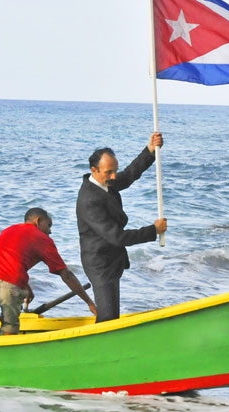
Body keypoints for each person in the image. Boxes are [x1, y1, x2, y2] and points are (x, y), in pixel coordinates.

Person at [76, 132, 168, 323]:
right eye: (109, 172)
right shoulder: (89, 199)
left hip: (111, 258)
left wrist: (150, 150)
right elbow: (117, 237)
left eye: (114, 170)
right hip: (99, 262)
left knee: (111, 314)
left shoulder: (105, 182)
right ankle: (100, 349)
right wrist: (153, 230)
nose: (114, 175)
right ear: (94, 170)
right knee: (108, 317)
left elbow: (128, 176)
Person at [0, 208, 97, 336]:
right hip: (10, 286)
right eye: (48, 225)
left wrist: (25, 285)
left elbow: (9, 262)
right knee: (9, 326)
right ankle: (6, 353)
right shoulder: (43, 239)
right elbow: (66, 274)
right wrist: (89, 302)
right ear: (38, 221)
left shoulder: (9, 230)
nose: (50, 231)